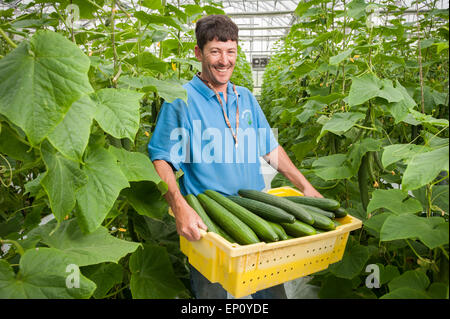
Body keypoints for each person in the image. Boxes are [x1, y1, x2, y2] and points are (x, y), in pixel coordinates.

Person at [148, 14, 322, 299]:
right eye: (215, 51)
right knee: (210, 297)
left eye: (230, 51)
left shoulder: (245, 97)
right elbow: (162, 159)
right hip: (209, 226)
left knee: (271, 295)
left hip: (256, 215)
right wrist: (180, 206)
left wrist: (305, 186)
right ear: (198, 53)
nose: (224, 60)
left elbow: (270, 148)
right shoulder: (181, 100)